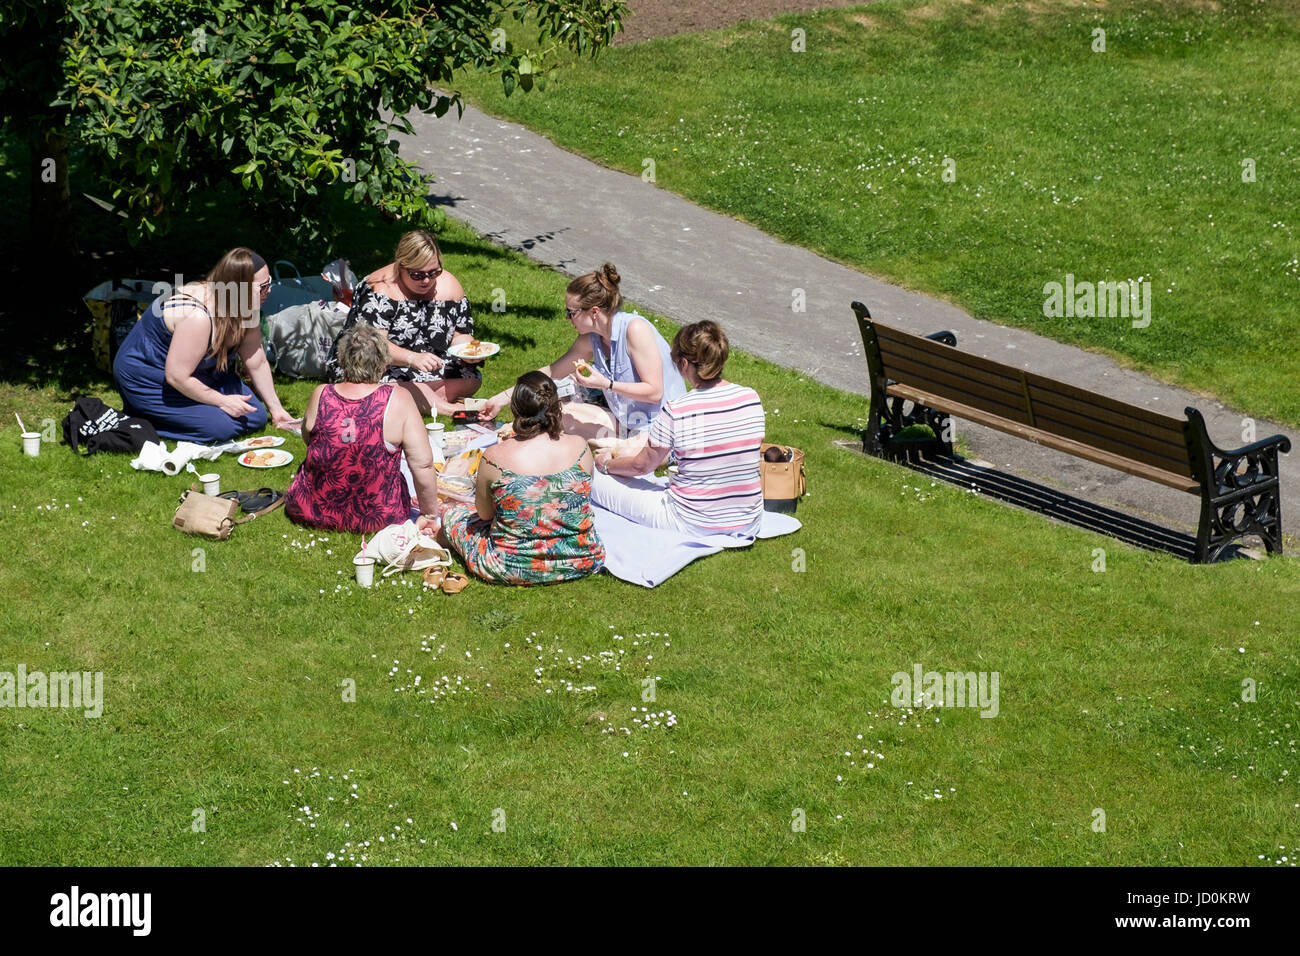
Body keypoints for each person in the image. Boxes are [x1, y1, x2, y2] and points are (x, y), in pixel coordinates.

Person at [475, 263, 685, 454]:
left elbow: (655, 392)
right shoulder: (591, 339)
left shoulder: (635, 329)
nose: (567, 318)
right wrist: (501, 399)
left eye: (571, 312)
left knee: (616, 452)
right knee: (556, 414)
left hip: (662, 427)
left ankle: (624, 448)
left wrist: (606, 384)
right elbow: (552, 371)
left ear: (594, 312)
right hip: (628, 421)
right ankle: (613, 444)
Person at [591, 321, 766, 537]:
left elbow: (641, 467)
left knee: (595, 479)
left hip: (691, 522)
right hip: (749, 520)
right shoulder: (751, 398)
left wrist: (607, 464)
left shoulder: (678, 410)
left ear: (684, 364)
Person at [113, 247, 294, 443]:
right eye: (263, 287)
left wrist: (277, 410)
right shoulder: (197, 315)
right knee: (220, 428)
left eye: (269, 285)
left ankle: (191, 410)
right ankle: (143, 418)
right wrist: (222, 401)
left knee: (255, 416)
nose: (268, 291)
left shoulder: (247, 307)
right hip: (150, 376)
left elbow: (256, 360)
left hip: (199, 371)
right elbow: (177, 376)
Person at [441, 372, 605, 585]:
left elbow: (484, 513)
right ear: (558, 408)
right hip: (582, 558)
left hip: (510, 566)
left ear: (515, 410)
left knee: (453, 514)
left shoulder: (495, 457)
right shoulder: (581, 447)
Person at [285, 323, 440, 534]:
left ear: (342, 359)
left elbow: (310, 439)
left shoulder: (321, 394)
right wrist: (429, 514)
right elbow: (423, 464)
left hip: (313, 510)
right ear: (384, 362)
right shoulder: (398, 398)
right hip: (379, 517)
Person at [325, 230, 485, 415]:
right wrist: (411, 358)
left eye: (434, 272)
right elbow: (372, 347)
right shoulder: (380, 289)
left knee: (471, 377)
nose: (426, 280)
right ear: (401, 266)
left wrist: (468, 350)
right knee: (382, 383)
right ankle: (446, 408)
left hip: (427, 364)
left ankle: (410, 400)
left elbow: (459, 333)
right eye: (417, 275)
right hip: (377, 366)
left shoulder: (449, 285)